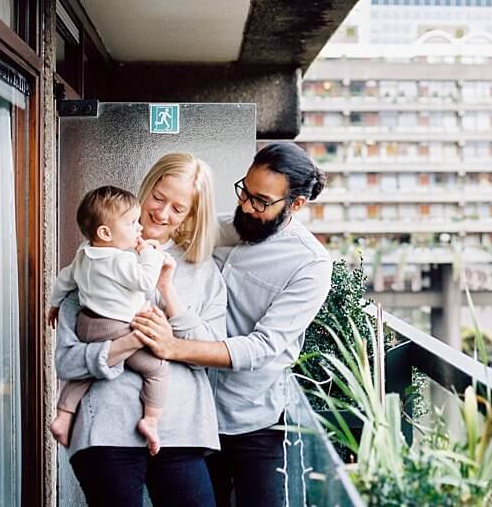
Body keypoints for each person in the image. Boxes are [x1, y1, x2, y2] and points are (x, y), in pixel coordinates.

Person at [133, 142, 333, 507]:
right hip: (192, 412)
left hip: (252, 419)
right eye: (245, 191)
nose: (245, 206)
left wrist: (174, 346)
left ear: (295, 205)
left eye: (260, 201)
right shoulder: (219, 229)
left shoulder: (311, 264)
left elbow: (262, 347)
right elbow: (164, 237)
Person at [54, 153, 227, 507]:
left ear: (192, 215)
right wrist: (123, 345)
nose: (162, 214)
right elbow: (68, 363)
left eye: (178, 209)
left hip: (181, 431)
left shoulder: (202, 270)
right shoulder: (94, 257)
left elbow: (210, 355)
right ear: (147, 188)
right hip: (105, 431)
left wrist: (168, 296)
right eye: (159, 198)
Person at [47, 185, 175, 454]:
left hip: (88, 324)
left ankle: (62, 417)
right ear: (105, 233)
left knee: (89, 372)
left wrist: (55, 305)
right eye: (132, 223)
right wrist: (149, 255)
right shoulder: (121, 261)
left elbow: (63, 279)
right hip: (117, 327)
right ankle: (151, 421)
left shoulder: (83, 254)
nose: (139, 229)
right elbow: (145, 282)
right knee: (156, 368)